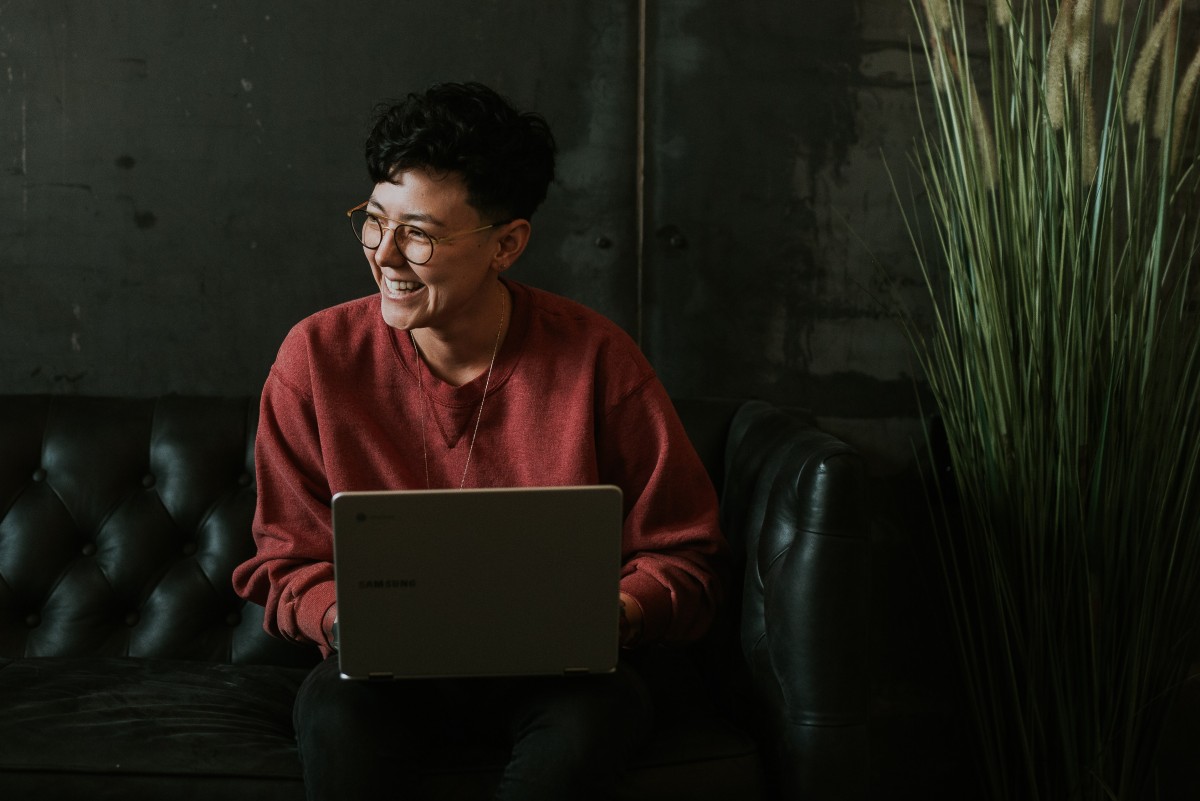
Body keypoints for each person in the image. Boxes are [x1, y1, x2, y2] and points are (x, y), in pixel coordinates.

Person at [232, 81, 726, 801]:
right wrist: (343, 617)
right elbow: (284, 559)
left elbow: (686, 553)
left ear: (507, 244)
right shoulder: (315, 358)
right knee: (337, 717)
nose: (386, 256)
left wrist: (613, 613)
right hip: (383, 680)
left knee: (596, 720)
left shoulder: (597, 360)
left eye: (420, 234)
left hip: (561, 680)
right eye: (374, 221)